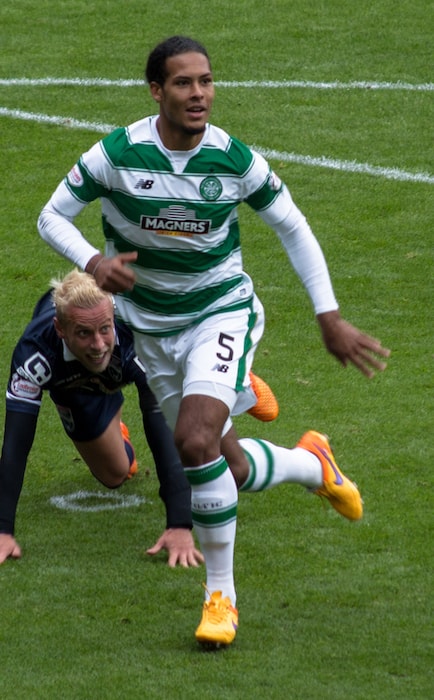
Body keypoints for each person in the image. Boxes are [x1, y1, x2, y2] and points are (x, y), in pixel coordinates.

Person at [37, 36, 391, 647]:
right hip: (150, 329)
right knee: (225, 464)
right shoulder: (117, 154)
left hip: (219, 313)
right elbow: (50, 216)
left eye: (205, 81)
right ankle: (313, 462)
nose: (198, 93)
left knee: (193, 438)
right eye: (183, 82)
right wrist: (93, 260)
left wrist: (328, 315)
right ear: (156, 90)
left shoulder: (232, 159)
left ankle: (219, 598)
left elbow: (293, 226)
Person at [0, 269, 204, 567]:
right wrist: (3, 529)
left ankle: (227, 380)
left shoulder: (138, 335)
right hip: (71, 383)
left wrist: (179, 523)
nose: (98, 344)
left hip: (135, 362)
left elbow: (160, 425)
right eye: (84, 332)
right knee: (114, 475)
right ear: (60, 329)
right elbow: (16, 443)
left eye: (104, 329)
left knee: (197, 435)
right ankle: (114, 427)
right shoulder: (36, 355)